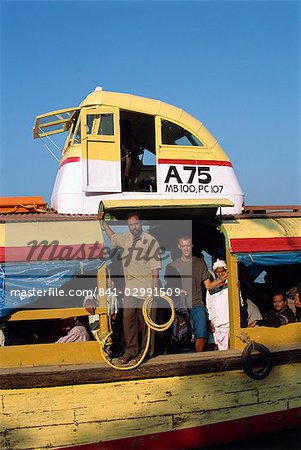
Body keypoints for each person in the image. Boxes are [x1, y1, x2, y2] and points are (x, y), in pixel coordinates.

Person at [99, 211, 161, 364]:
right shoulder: (126, 238)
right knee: (128, 320)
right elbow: (112, 237)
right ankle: (131, 351)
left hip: (147, 288)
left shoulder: (150, 241)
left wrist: (154, 289)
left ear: (141, 224)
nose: (134, 227)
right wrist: (103, 222)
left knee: (147, 322)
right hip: (131, 289)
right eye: (131, 225)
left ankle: (146, 353)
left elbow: (155, 268)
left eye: (136, 224)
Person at [168, 237, 226, 352]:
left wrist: (221, 279)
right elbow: (168, 290)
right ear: (179, 247)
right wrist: (177, 291)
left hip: (197, 304)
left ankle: (198, 356)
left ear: (192, 246)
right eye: (183, 246)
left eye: (188, 245)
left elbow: (208, 285)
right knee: (180, 336)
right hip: (180, 306)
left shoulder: (200, 263)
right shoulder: (172, 266)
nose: (186, 248)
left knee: (202, 333)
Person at [206, 260, 230, 351]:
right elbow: (209, 305)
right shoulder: (212, 287)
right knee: (219, 346)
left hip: (228, 320)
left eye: (222, 271)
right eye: (218, 272)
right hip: (217, 322)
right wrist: (211, 320)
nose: (220, 274)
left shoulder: (231, 284)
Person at [120, 120, 143, 191]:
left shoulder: (127, 139)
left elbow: (128, 156)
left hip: (132, 165)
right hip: (130, 164)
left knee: (133, 183)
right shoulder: (130, 138)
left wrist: (126, 173)